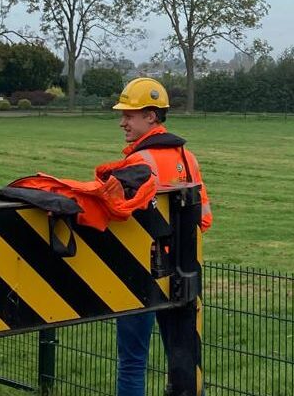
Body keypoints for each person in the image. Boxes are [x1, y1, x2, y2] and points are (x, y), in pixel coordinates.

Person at [112, 77, 211, 396]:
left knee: (131, 361)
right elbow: (204, 217)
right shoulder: (188, 158)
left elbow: (120, 218)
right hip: (182, 273)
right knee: (183, 362)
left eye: (129, 114)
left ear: (151, 116)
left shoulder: (137, 161)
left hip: (140, 271)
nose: (122, 122)